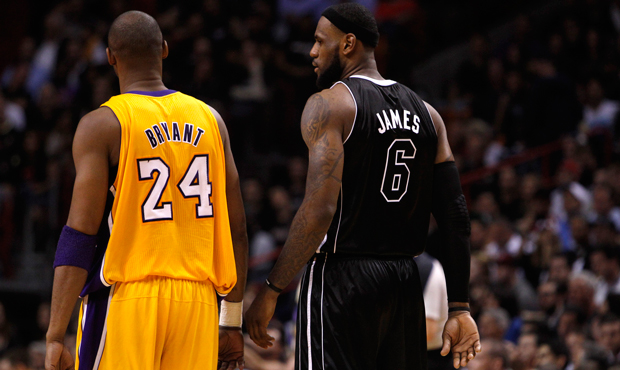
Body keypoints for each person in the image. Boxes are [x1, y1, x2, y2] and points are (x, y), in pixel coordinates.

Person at [245, 3, 480, 369]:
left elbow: (319, 209)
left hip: (341, 277)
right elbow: (455, 215)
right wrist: (460, 307)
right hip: (403, 280)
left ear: (348, 44)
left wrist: (272, 288)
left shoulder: (331, 104)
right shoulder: (429, 115)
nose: (312, 52)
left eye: (320, 42)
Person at [44, 11, 248, 370]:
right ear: (165, 50)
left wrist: (55, 335)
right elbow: (237, 231)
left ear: (110, 57)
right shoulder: (213, 121)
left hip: (129, 296)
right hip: (198, 302)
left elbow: (79, 235)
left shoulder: (102, 124)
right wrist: (230, 319)